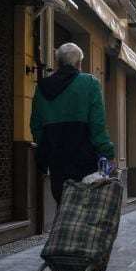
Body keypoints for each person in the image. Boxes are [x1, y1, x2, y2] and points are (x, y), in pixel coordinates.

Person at [30, 43, 115, 203]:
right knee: (84, 212)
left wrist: (46, 149)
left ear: (58, 63)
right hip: (85, 160)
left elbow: (35, 125)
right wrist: (108, 154)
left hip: (57, 162)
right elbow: (97, 125)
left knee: (63, 207)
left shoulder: (42, 88)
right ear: (78, 64)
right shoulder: (90, 83)